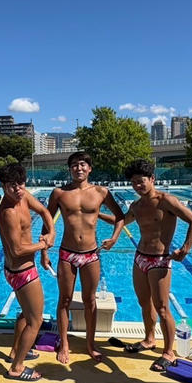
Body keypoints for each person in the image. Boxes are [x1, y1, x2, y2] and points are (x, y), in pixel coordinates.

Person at [105, 159, 192, 362]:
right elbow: (121, 221)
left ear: (152, 179)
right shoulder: (136, 205)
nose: (137, 186)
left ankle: (168, 351)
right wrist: (95, 213)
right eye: (133, 183)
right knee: (144, 303)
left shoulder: (166, 201)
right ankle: (149, 339)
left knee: (162, 308)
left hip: (159, 259)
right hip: (140, 258)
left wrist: (185, 248)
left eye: (141, 181)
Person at [41, 152, 125, 363]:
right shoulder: (59, 193)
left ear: (89, 168)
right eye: (74, 165)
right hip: (66, 253)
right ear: (69, 169)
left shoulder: (101, 192)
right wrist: (44, 251)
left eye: (82, 164)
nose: (78, 168)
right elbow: (47, 222)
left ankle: (90, 344)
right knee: (64, 300)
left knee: (90, 300)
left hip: (91, 254)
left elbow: (120, 217)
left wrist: (114, 238)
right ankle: (64, 344)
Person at [0, 163, 55, 382]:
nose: (18, 189)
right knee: (35, 320)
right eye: (13, 186)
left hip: (19, 269)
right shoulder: (8, 212)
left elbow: (44, 211)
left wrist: (52, 232)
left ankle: (15, 352)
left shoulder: (23, 196)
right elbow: (17, 250)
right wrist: (43, 245)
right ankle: (17, 367)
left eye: (21, 184)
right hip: (22, 271)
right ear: (3, 186)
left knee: (25, 313)